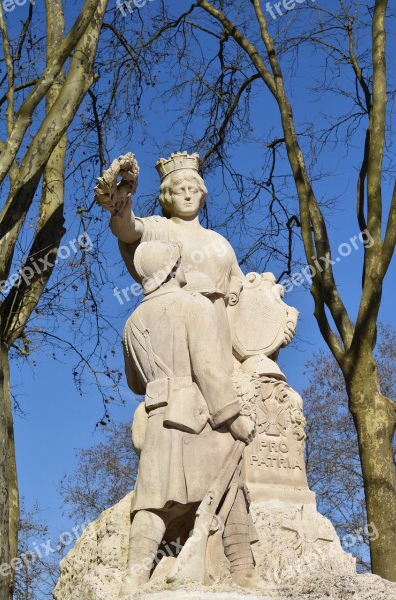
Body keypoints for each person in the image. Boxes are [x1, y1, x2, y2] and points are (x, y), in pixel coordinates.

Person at [122, 240, 259, 591]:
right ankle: (243, 570)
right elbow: (210, 369)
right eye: (179, 263)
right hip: (199, 417)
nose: (184, 268)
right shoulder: (195, 306)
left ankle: (133, 578)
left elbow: (136, 382)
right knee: (229, 484)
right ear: (170, 270)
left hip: (157, 417)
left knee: (151, 502)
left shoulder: (132, 322)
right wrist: (232, 418)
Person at [96, 151, 244, 371]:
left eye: (192, 190)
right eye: (179, 191)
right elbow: (128, 230)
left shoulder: (218, 241)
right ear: (167, 197)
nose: (187, 196)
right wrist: (121, 205)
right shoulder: (159, 228)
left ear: (201, 195)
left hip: (224, 334)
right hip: (177, 333)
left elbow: (243, 284)